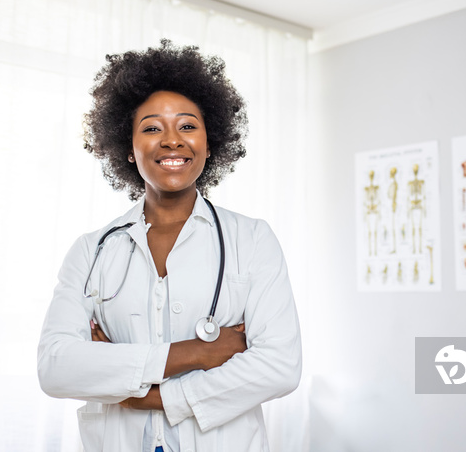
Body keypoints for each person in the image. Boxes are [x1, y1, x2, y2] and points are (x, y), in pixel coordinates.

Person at [37, 40, 302, 452]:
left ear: (210, 143)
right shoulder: (91, 251)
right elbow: (56, 367)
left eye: (188, 125)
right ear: (127, 148)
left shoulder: (251, 239)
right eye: (151, 128)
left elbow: (280, 366)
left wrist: (142, 392)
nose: (172, 140)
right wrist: (194, 353)